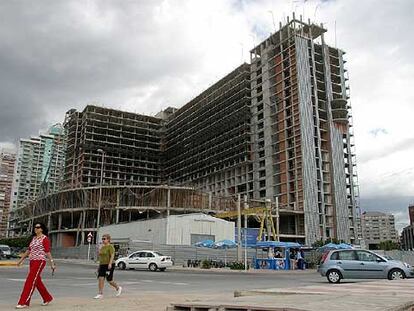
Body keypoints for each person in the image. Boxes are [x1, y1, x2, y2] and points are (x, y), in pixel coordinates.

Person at [16, 223, 55, 309]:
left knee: (30, 281)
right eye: (35, 227)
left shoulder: (45, 239)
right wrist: (21, 260)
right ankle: (47, 298)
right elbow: (29, 250)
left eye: (38, 227)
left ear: (42, 229)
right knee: (36, 281)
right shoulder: (33, 238)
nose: (35, 229)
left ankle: (24, 302)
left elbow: (48, 252)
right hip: (32, 261)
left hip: (40, 261)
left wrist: (52, 263)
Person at [94, 234, 122, 299]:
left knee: (109, 280)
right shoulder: (102, 247)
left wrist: (109, 264)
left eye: (104, 239)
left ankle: (118, 288)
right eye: (102, 239)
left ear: (108, 239)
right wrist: (99, 266)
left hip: (110, 264)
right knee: (101, 278)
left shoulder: (110, 247)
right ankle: (100, 293)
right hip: (102, 265)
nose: (103, 240)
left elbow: (112, 255)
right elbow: (101, 257)